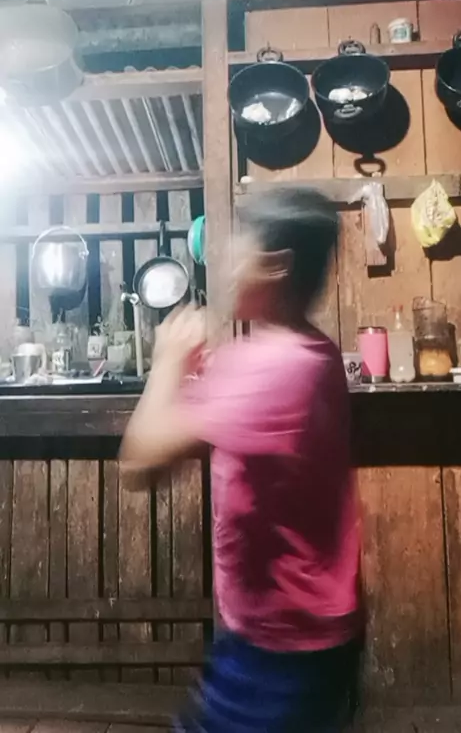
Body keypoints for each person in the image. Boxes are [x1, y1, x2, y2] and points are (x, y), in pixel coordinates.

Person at [120, 185, 363, 732]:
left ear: (276, 265)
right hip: (312, 629)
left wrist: (167, 363)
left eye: (238, 246)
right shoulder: (312, 353)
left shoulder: (269, 367)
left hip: (281, 647)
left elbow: (139, 460)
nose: (223, 261)